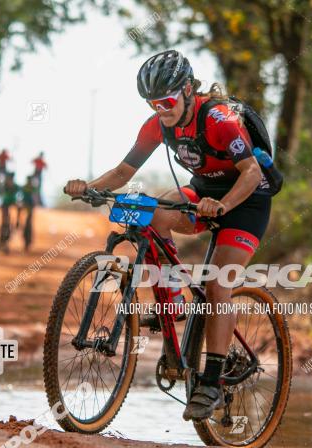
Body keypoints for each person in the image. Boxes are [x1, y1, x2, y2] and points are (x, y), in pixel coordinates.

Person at [64, 49, 280, 421]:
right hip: (204, 195)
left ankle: (211, 381)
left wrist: (224, 207)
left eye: (165, 100)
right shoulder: (157, 125)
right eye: (151, 102)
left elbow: (250, 174)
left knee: (217, 285)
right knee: (155, 212)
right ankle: (173, 300)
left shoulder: (219, 118)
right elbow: (122, 171)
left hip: (247, 201)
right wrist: (89, 187)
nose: (159, 108)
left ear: (186, 90)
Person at [0, 171, 20, 253]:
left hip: (12, 206)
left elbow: (20, 195)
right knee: (5, 222)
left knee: (10, 223)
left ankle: (5, 240)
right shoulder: (3, 186)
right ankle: (2, 241)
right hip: (5, 205)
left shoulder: (16, 187)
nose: (10, 180)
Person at [17, 174, 39, 251]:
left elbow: (35, 198)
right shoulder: (29, 188)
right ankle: (27, 240)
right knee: (27, 224)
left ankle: (27, 241)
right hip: (26, 207)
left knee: (28, 224)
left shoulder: (31, 188)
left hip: (29, 207)